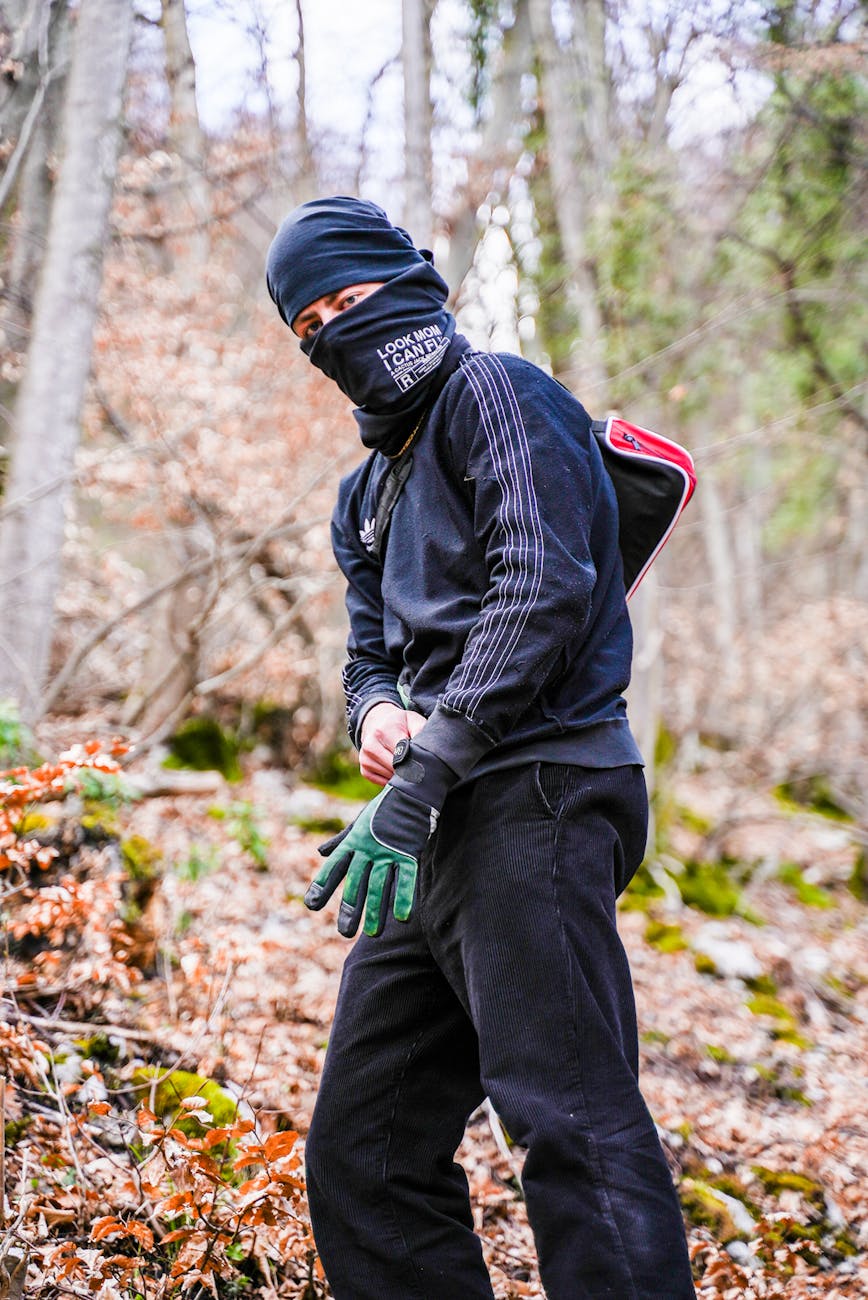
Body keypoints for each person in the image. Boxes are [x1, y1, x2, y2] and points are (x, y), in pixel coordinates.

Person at [266, 196, 695, 1299]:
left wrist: (431, 762)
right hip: (431, 815)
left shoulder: (496, 393)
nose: (332, 332)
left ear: (407, 279)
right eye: (309, 324)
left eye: (347, 299)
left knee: (570, 1119)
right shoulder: (364, 495)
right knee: (366, 1150)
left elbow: (543, 583)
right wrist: (377, 716)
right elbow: (367, 655)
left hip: (544, 787)